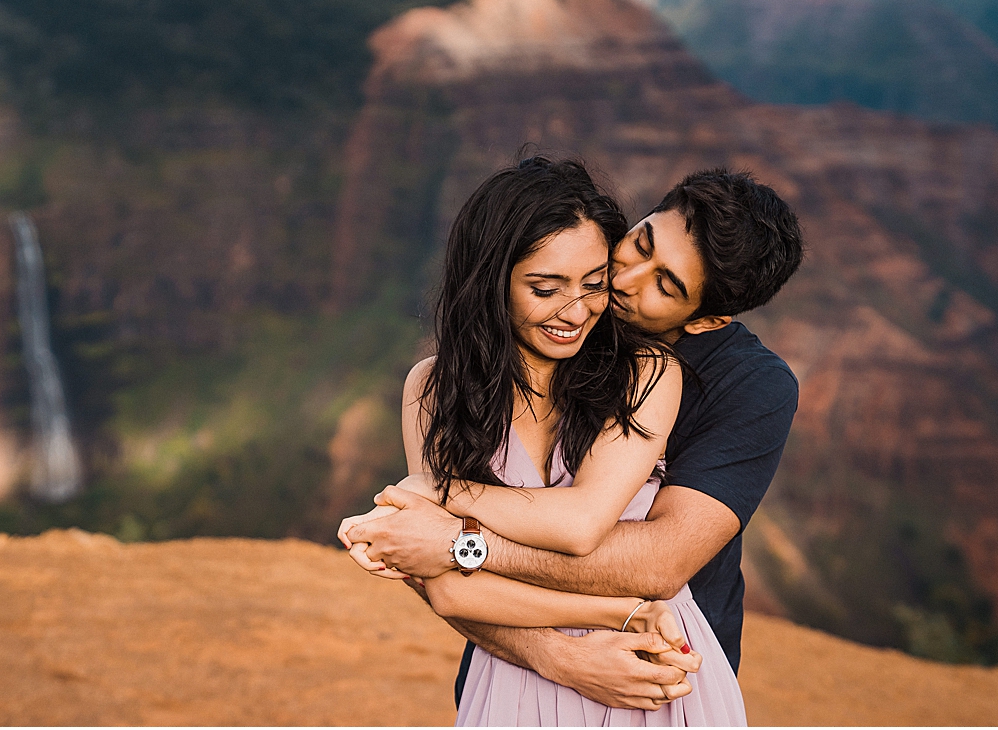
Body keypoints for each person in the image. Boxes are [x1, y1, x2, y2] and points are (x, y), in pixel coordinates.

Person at [341, 164, 804, 722]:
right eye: (641, 243)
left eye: (666, 284)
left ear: (708, 320)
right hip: (510, 666)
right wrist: (561, 655)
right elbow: (442, 582)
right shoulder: (447, 382)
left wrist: (445, 510)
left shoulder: (711, 380)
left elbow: (649, 563)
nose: (621, 283)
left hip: (652, 671)